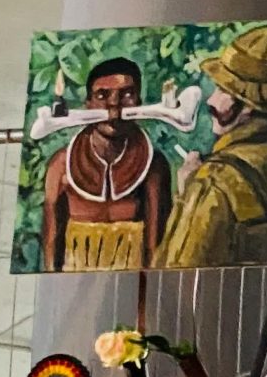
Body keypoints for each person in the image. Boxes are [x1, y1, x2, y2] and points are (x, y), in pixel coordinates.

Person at [155, 25, 267, 270]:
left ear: (247, 105)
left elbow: (176, 270)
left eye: (222, 90)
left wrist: (186, 197)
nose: (211, 100)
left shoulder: (214, 179)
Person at [41, 56, 172, 271]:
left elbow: (155, 248)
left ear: (138, 102)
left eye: (126, 94)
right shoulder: (61, 164)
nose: (114, 104)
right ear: (88, 104)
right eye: (102, 95)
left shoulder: (153, 166)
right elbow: (51, 244)